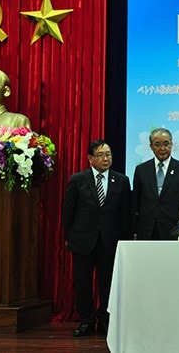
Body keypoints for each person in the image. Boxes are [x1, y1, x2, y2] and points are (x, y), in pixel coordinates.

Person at [62, 140, 131, 337]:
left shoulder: (121, 180)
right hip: (82, 240)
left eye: (108, 154)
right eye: (100, 155)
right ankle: (86, 320)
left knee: (107, 283)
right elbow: (69, 212)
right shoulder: (78, 180)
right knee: (83, 283)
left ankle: (105, 319)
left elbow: (125, 214)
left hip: (110, 241)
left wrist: (124, 241)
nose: (106, 158)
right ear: (90, 159)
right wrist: (69, 237)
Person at [132, 128, 179, 240]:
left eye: (166, 144)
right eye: (157, 144)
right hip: (146, 229)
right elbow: (135, 203)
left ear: (171, 144)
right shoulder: (141, 170)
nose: (162, 148)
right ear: (151, 146)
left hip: (173, 229)